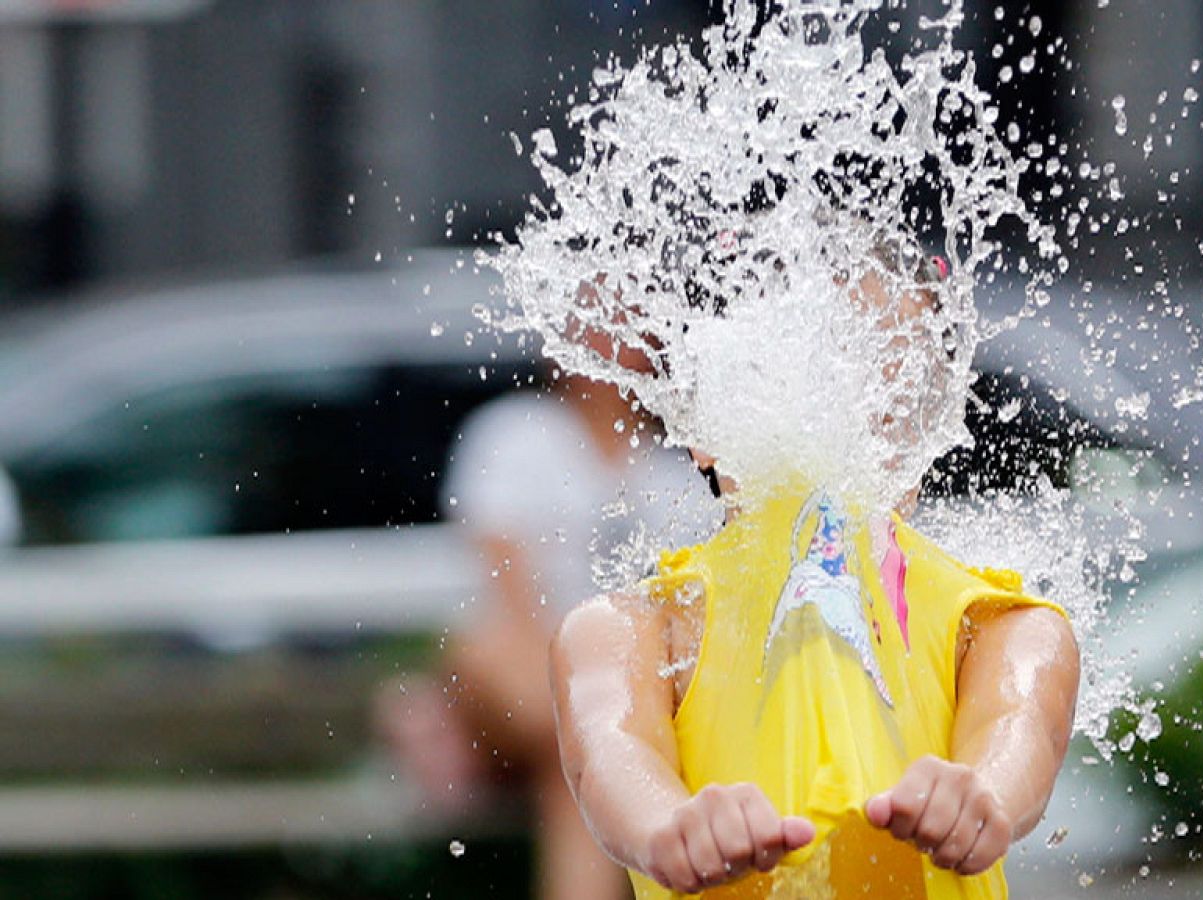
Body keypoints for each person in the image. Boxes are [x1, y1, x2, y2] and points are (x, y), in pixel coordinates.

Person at [548, 266, 1081, 898]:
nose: (839, 423)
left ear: (930, 430)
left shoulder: (1001, 628)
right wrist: (666, 823)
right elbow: (609, 753)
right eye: (797, 387)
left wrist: (985, 791)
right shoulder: (631, 630)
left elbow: (1020, 725)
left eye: (884, 401)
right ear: (702, 430)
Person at [380, 327, 718, 900]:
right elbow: (506, 584)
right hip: (525, 671)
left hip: (588, 698)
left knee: (580, 757)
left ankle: (444, 729)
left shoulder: (672, 465)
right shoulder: (515, 434)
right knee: (590, 730)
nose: (611, 339)